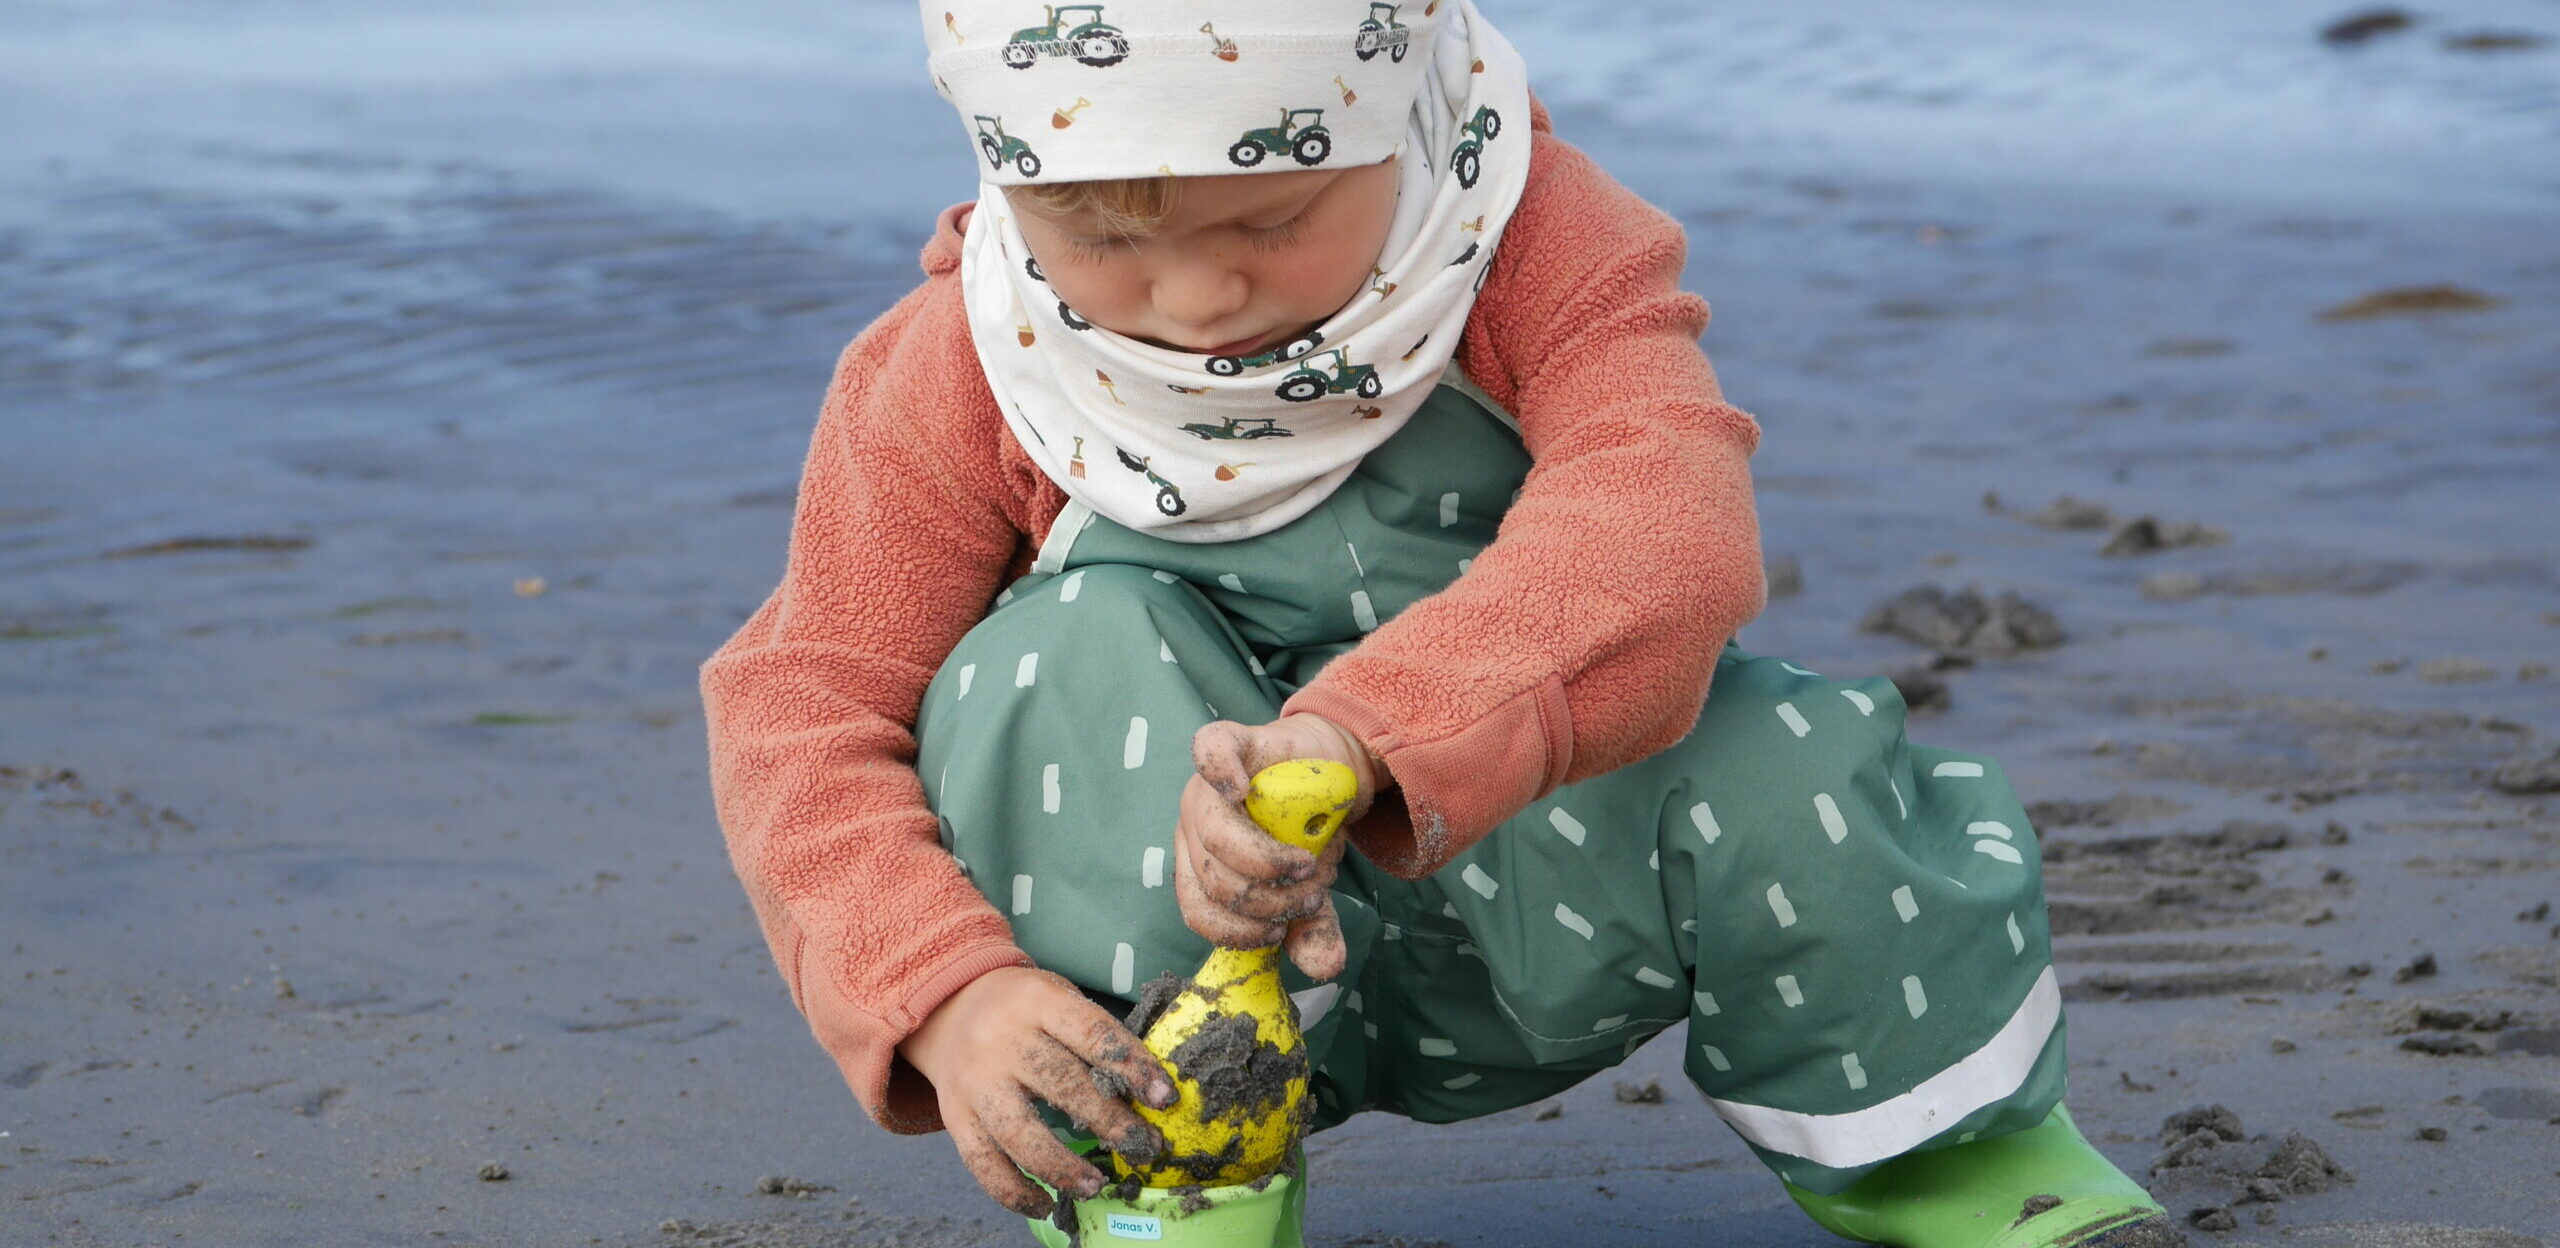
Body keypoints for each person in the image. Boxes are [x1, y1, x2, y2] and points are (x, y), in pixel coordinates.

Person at [700, 2, 2176, 1244]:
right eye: (1099, 238)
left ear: (1396, 114)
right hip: (1177, 949)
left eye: (1271, 217)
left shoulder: (1527, 243)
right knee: (1042, 666)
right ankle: (1174, 1176)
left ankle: (1945, 1156)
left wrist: (1364, 737)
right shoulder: (967, 364)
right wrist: (947, 994)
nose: (1201, 298)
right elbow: (800, 704)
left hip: (1548, 854)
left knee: (1785, 756)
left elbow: (1664, 530)